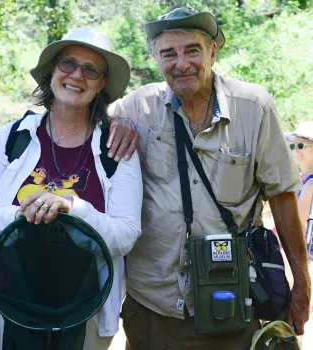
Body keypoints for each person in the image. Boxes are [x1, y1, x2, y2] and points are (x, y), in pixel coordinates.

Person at [109, 7, 311, 349]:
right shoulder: (135, 109)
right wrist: (114, 127)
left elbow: (282, 195)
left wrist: (302, 283)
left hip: (233, 299)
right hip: (153, 305)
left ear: (212, 52)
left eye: (192, 50)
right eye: (168, 54)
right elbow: (83, 128)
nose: (181, 63)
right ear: (156, 59)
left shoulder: (254, 107)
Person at [0, 27, 143, 350]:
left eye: (91, 69)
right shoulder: (13, 137)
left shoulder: (116, 151)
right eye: (68, 63)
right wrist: (27, 214)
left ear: (102, 83)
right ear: (52, 69)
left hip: (84, 306)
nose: (77, 75)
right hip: (4, 298)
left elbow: (126, 232)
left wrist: (71, 209)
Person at [287, 122, 313, 349]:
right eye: (293, 145)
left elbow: (300, 224)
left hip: (303, 256)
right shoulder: (302, 179)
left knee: (297, 312)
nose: (296, 150)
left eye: (302, 145)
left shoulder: (310, 183)